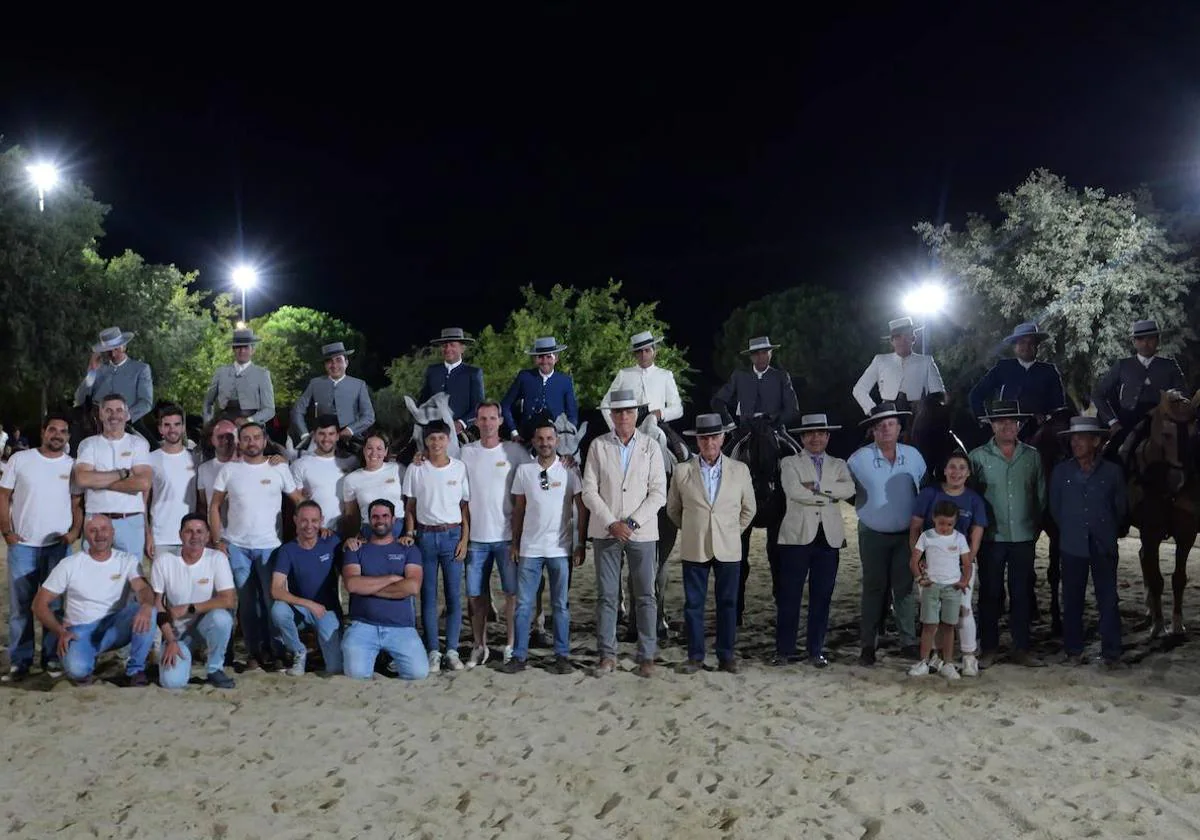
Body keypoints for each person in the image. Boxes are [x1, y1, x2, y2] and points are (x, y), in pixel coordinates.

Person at [583, 389, 667, 678]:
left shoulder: (651, 446)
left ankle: (647, 655)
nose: (623, 417)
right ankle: (607, 654)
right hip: (606, 533)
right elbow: (589, 491)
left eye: (628, 411)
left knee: (645, 595)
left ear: (636, 414)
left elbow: (658, 493)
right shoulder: (597, 446)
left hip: (641, 533)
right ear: (612, 415)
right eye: (618, 412)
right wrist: (610, 522)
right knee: (607, 595)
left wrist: (631, 523)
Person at [209, 421, 305, 669]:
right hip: (237, 547)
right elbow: (214, 506)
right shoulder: (229, 470)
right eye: (246, 438)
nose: (252, 442)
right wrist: (218, 539)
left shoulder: (279, 468)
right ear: (240, 442)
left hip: (270, 547)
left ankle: (277, 648)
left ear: (264, 441)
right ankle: (254, 652)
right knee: (247, 603)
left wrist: (308, 531)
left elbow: (298, 501)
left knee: (273, 601)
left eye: (256, 437)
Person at [667, 414, 756, 674]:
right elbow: (674, 510)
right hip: (696, 546)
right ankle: (695, 656)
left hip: (728, 547)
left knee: (728, 603)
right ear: (697, 440)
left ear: (722, 438)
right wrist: (695, 528)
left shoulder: (739, 470)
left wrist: (729, 531)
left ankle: (726, 655)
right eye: (704, 438)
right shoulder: (683, 471)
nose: (709, 442)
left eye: (714, 437)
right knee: (693, 604)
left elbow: (749, 509)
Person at [0, 413, 83, 681]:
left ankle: (50, 659)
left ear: (68, 437)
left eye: (63, 431)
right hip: (23, 546)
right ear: (43, 432)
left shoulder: (73, 466)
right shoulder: (20, 460)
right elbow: (4, 496)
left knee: (55, 606)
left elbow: (76, 504)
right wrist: (7, 532)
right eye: (53, 430)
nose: (57, 435)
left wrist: (73, 533)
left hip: (56, 547)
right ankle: (20, 662)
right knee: (20, 608)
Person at [503, 418, 587, 674]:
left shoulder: (569, 470)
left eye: (549, 438)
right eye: (540, 439)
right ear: (534, 442)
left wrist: (580, 543)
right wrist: (516, 543)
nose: (545, 443)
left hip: (560, 549)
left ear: (557, 441)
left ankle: (561, 655)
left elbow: (581, 510)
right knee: (524, 605)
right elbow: (518, 509)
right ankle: (519, 655)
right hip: (530, 548)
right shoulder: (525, 471)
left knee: (560, 605)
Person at [32, 514, 156, 686]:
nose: (100, 535)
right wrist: (60, 631)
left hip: (115, 626)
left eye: (104, 529)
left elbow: (142, 588)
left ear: (113, 532)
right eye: (93, 530)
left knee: (149, 609)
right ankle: (87, 660)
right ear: (86, 535)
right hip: (80, 631)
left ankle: (135, 670)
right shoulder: (70, 564)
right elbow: (39, 604)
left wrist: (147, 606)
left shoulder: (127, 560)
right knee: (77, 671)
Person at [847, 401, 927, 665]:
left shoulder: (914, 456)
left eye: (890, 424)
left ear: (899, 427)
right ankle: (868, 644)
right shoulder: (858, 460)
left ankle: (908, 641)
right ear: (873, 431)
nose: (885, 430)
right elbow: (847, 492)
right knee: (873, 587)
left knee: (904, 588)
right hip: (873, 533)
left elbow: (923, 491)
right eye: (879, 426)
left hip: (906, 534)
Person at [968, 400, 1046, 668]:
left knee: (1022, 593)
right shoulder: (977, 457)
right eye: (1001, 421)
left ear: (1019, 424)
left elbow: (1040, 496)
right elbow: (971, 498)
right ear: (992, 425)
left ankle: (1021, 648)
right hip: (991, 538)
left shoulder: (1032, 456)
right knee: (989, 594)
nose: (1007, 426)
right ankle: (989, 647)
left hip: (1024, 537)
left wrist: (1035, 528)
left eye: (1012, 421)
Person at [773, 413, 854, 668]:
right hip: (797, 537)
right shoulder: (789, 462)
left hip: (828, 538)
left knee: (822, 597)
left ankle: (815, 650)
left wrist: (816, 489)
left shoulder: (839, 463)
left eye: (821, 433)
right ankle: (784, 650)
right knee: (790, 596)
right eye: (810, 433)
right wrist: (829, 494)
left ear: (828, 436)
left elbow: (849, 490)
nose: (816, 438)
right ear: (802, 437)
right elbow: (794, 492)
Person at [1050, 416, 1126, 667]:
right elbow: (1055, 509)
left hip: (1103, 545)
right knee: (1072, 599)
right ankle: (1073, 650)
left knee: (1108, 599)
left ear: (1096, 441)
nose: (1075, 443)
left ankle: (1111, 653)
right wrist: (1073, 529)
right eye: (1073, 438)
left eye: (1081, 438)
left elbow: (1120, 509)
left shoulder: (1113, 473)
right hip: (1072, 544)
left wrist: (1104, 529)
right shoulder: (1061, 472)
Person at [458, 401, 528, 667]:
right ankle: (479, 646)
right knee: (475, 595)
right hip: (476, 539)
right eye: (482, 419)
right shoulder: (466, 453)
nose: (487, 424)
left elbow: (537, 473)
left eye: (492, 418)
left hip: (507, 536)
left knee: (511, 593)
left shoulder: (514, 451)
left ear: (500, 421)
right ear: (476, 422)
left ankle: (510, 644)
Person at [908, 451, 987, 676]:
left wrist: (968, 561)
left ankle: (969, 655)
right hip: (932, 564)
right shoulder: (928, 494)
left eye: (962, 468)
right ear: (944, 470)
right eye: (952, 467)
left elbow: (976, 532)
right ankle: (935, 655)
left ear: (968, 473)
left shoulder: (973, 499)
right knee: (931, 612)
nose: (956, 472)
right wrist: (918, 559)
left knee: (963, 609)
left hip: (959, 564)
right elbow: (915, 526)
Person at [401, 419, 470, 673]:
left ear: (448, 441)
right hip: (426, 538)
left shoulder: (459, 468)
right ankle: (433, 650)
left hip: (452, 536)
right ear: (425, 441)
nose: (437, 443)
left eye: (441, 438)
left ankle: (451, 650)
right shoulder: (416, 469)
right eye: (432, 439)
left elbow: (465, 508)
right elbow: (410, 507)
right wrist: (410, 532)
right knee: (428, 597)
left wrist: (464, 539)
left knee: (453, 596)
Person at [341, 499, 429, 680]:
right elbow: (352, 585)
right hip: (363, 625)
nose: (380, 520)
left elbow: (412, 586)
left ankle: (389, 659)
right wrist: (391, 579)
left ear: (394, 519)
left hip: (400, 626)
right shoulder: (356, 549)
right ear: (369, 520)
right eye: (375, 517)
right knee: (355, 674)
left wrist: (367, 587)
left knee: (418, 673)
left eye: (384, 516)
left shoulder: (408, 549)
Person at [153, 513, 237, 689]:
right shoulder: (164, 561)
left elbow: (229, 600)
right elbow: (158, 605)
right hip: (176, 632)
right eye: (189, 531)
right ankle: (178, 661)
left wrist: (190, 608)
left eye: (200, 532)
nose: (195, 536)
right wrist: (170, 640)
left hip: (204, 624)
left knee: (222, 618)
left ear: (207, 536)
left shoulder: (216, 558)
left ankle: (215, 668)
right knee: (172, 683)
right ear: (180, 535)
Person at [72, 393, 153, 557]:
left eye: (118, 410)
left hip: (130, 521)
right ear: (100, 414)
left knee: (131, 578)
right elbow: (82, 479)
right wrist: (123, 473)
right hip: (95, 519)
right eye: (108, 410)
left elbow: (143, 483)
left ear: (126, 414)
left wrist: (98, 481)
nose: (114, 415)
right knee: (94, 576)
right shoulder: (88, 444)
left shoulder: (139, 444)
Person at [1091, 319, 1187, 454]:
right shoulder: (1122, 365)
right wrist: (1113, 422)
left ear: (1157, 340)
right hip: (1128, 420)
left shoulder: (1169, 366)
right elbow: (1098, 393)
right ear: (1134, 342)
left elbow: (1184, 395)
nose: (1145, 343)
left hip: (1162, 418)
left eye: (1150, 338)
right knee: (1111, 455)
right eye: (1140, 339)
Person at [270, 500, 344, 676]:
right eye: (304, 520)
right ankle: (298, 652)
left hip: (328, 610)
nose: (309, 526)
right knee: (278, 610)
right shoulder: (287, 550)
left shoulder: (332, 541)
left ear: (321, 521)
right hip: (300, 610)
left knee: (334, 668)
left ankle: (323, 650)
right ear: (295, 520)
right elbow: (276, 589)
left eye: (314, 521)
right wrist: (309, 604)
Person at [907, 500, 972, 680]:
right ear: (934, 519)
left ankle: (948, 663)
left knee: (949, 626)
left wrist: (964, 581)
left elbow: (967, 563)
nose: (945, 527)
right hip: (932, 586)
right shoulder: (927, 536)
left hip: (952, 587)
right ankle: (924, 661)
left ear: (955, 522)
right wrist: (920, 578)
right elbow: (914, 560)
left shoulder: (959, 538)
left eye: (949, 524)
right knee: (929, 625)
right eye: (941, 523)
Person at [968, 322, 1067, 431]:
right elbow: (976, 394)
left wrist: (1047, 419)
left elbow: (1059, 407)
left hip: (1039, 431)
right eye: (1022, 342)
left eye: (1031, 343)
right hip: (1007, 429)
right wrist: (985, 422)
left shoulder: (1049, 371)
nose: (1026, 347)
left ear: (1037, 346)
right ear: (1015, 346)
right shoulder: (1003, 368)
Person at [852, 317, 945, 415]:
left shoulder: (926, 362)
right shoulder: (880, 360)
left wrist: (927, 412)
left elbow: (938, 395)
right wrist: (874, 411)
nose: (902, 341)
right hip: (888, 416)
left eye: (906, 336)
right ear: (892, 341)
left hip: (917, 416)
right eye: (897, 337)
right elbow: (859, 389)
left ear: (913, 339)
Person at [291, 341, 375, 440]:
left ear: (346, 363)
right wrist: (304, 434)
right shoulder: (315, 383)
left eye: (339, 360)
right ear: (325, 365)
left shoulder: (359, 385)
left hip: (351, 439)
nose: (334, 365)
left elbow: (369, 416)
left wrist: (350, 430)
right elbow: (297, 410)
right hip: (321, 440)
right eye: (329, 361)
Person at [711, 336, 799, 430]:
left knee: (792, 445)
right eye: (756, 354)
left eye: (764, 352)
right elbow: (717, 401)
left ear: (771, 353)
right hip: (746, 430)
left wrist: (775, 421)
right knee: (732, 445)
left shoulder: (781, 376)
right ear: (751, 357)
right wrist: (729, 423)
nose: (761, 357)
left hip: (775, 429)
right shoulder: (739, 376)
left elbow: (793, 409)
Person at [146, 404, 199, 560]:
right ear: (160, 429)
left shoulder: (196, 458)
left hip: (191, 536)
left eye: (177, 424)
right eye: (167, 425)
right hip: (161, 536)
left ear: (183, 428)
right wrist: (148, 535)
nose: (172, 429)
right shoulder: (150, 459)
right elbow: (143, 501)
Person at [600, 331, 683, 430]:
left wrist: (660, 413)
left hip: (658, 426)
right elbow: (605, 403)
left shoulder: (665, 375)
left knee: (678, 445)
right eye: (639, 351)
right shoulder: (624, 374)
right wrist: (614, 427)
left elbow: (678, 409)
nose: (643, 354)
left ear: (654, 352)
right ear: (634, 355)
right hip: (630, 428)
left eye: (647, 350)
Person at [501, 336, 578, 441]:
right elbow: (505, 405)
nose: (544, 361)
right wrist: (514, 432)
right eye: (540, 357)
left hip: (555, 439)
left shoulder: (565, 381)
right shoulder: (524, 377)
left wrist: (567, 436)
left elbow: (572, 414)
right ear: (535, 359)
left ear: (556, 358)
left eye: (549, 357)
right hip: (526, 437)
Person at [74, 326, 154, 425]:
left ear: (124, 346)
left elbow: (146, 403)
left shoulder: (140, 369)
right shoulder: (98, 370)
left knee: (147, 440)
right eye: (108, 350)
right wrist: (92, 372)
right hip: (96, 423)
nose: (113, 354)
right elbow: (79, 400)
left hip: (128, 422)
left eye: (116, 349)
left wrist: (126, 417)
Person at [290, 415, 358, 531]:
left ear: (337, 436)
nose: (326, 438)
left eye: (331, 434)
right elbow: (298, 503)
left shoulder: (351, 462)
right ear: (314, 436)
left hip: (346, 531)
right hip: (314, 532)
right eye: (321, 434)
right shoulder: (299, 465)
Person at [419, 327, 485, 436]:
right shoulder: (432, 371)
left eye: (452, 345)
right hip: (432, 431)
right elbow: (423, 401)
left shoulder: (473, 373)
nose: (448, 348)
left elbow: (479, 407)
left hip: (462, 432)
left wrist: (461, 423)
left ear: (462, 348)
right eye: (445, 345)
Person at [202, 328, 276, 424]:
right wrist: (208, 423)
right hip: (223, 423)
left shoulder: (262, 374)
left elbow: (269, 410)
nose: (242, 351)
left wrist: (249, 421)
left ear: (252, 350)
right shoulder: (221, 372)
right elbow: (208, 402)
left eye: (246, 347)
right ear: (233, 349)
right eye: (238, 347)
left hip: (252, 425)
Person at [341, 432, 406, 536]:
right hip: (370, 529)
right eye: (370, 448)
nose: (374, 453)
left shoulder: (398, 469)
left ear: (386, 452)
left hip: (398, 527)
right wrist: (355, 536)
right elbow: (351, 515)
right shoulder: (351, 479)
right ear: (364, 450)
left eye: (379, 449)